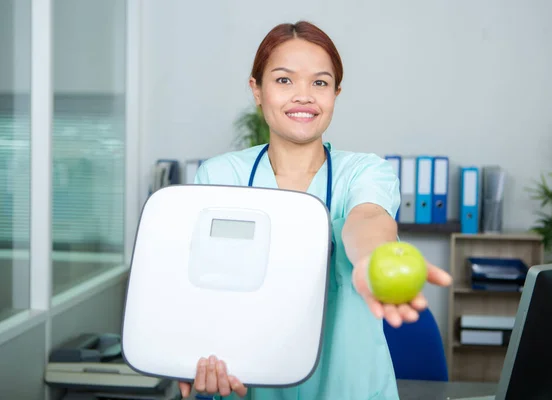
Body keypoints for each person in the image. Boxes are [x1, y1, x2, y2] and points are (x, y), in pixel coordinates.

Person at [178, 21, 452, 400]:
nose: (303, 96)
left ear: (336, 93)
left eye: (320, 83)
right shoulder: (220, 175)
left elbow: (368, 219)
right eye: (284, 80)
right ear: (256, 90)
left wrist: (372, 260)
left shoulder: (365, 171)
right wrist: (190, 354)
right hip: (250, 386)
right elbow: (201, 287)